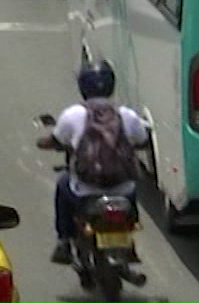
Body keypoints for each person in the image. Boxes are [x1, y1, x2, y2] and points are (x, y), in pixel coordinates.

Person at [39, 61, 148, 265]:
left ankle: (63, 241)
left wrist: (43, 142)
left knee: (63, 184)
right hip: (122, 189)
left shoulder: (72, 115)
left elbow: (56, 140)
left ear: (83, 87)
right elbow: (142, 139)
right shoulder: (127, 115)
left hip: (84, 190)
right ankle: (129, 241)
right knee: (131, 189)